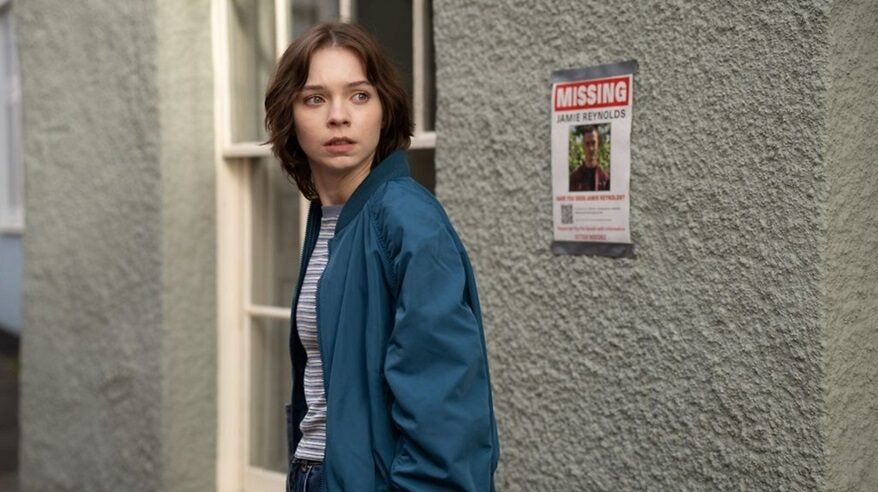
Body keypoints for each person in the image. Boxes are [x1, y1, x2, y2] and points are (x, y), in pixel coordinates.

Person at [264, 22, 499, 492]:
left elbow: (445, 413)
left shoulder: (406, 220)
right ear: (290, 115)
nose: (338, 116)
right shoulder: (331, 218)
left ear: (384, 109)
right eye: (315, 98)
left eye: (359, 95)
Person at [569, 126, 610, 192]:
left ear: (598, 145)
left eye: (593, 143)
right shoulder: (573, 178)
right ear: (583, 146)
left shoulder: (606, 179)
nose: (591, 148)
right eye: (587, 144)